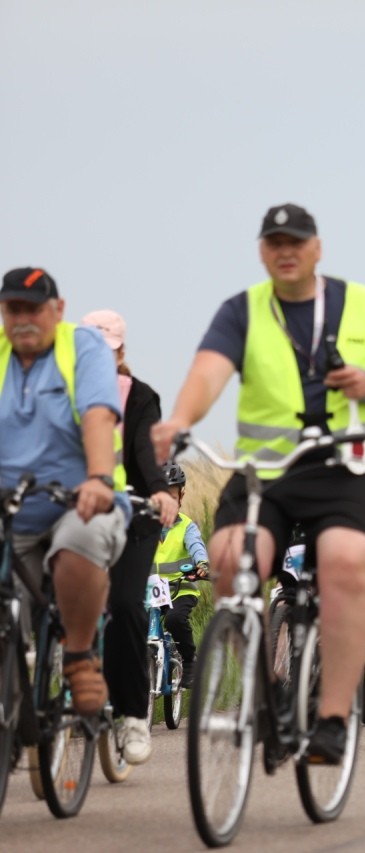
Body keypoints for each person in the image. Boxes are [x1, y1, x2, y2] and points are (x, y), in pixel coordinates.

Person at [152, 204, 365, 763]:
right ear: (262, 251)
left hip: (347, 471)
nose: (285, 251)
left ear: (316, 249)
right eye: (274, 242)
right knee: (229, 557)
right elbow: (208, 371)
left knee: (344, 562)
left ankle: (333, 719)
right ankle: (265, 691)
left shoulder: (359, 304)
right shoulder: (242, 311)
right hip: (268, 473)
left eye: (296, 241)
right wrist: (179, 419)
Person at [0, 268, 131, 718]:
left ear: (58, 309)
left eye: (33, 309)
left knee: (80, 541)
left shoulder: (82, 346)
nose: (23, 320)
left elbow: (98, 415)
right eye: (13, 310)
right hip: (12, 508)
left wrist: (98, 479)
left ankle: (78, 656)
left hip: (77, 500)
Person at [80, 309, 180, 766]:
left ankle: (134, 715)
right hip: (76, 512)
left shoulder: (139, 396)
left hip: (133, 515)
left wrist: (159, 490)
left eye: (109, 349)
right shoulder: (64, 392)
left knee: (125, 606)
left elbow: (144, 449)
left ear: (121, 351)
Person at [151, 462, 209, 689]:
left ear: (181, 496)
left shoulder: (187, 527)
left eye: (172, 498)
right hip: (150, 591)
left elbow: (196, 546)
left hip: (180, 588)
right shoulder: (145, 525)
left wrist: (202, 563)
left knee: (175, 620)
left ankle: (189, 661)